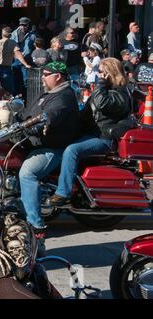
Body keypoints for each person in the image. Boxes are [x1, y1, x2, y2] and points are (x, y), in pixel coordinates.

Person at [48, 58, 132, 207]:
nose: (97, 74)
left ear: (109, 73)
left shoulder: (120, 92)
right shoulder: (104, 90)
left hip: (104, 138)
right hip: (92, 133)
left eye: (100, 71)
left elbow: (101, 104)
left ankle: (63, 193)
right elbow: (86, 113)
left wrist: (101, 84)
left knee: (72, 150)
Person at [18, 62, 79, 245]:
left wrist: (34, 128)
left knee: (27, 173)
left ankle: (35, 226)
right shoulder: (48, 93)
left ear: (57, 76)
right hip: (38, 144)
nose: (42, 77)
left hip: (53, 148)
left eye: (46, 74)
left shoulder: (64, 96)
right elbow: (29, 113)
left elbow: (50, 117)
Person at [0, 26, 31, 96]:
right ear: (11, 35)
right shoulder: (12, 42)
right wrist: (26, 64)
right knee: (9, 91)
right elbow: (18, 53)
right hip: (6, 70)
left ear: (2, 34)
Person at [11, 17, 36, 96]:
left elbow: (35, 46)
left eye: (25, 25)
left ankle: (26, 99)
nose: (23, 27)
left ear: (28, 25)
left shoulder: (33, 35)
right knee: (16, 80)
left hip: (27, 60)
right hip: (16, 60)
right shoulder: (14, 33)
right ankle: (16, 98)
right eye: (21, 25)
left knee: (26, 81)